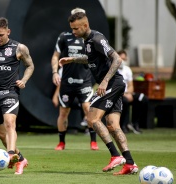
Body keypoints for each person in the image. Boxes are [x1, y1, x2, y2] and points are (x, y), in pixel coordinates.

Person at [59, 9, 138, 175]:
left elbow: (117, 59)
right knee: (113, 125)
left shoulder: (96, 38)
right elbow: (90, 59)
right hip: (113, 85)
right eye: (71, 28)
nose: (73, 32)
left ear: (85, 25)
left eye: (75, 29)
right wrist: (72, 59)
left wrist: (104, 81)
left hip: (112, 83)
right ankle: (130, 163)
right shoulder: (87, 42)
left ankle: (115, 155)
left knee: (92, 118)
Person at [0, 17, 34, 175]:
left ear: (8, 31)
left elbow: (30, 66)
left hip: (10, 92)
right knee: (0, 134)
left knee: (9, 123)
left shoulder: (19, 48)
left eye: (1, 35)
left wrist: (24, 80)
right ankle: (20, 159)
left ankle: (11, 154)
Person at [51, 8, 98, 151]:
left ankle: (93, 141)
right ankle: (61, 142)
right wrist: (54, 72)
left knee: (87, 108)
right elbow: (55, 56)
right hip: (67, 82)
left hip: (84, 81)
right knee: (63, 112)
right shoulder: (64, 37)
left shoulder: (91, 37)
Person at [117, 50, 148, 134]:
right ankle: (123, 125)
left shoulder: (127, 70)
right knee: (125, 101)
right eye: (121, 59)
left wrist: (129, 93)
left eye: (124, 59)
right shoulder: (113, 69)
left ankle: (134, 123)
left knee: (142, 98)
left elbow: (130, 85)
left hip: (127, 93)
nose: (123, 61)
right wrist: (124, 94)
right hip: (117, 94)